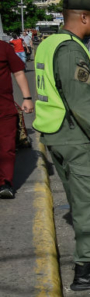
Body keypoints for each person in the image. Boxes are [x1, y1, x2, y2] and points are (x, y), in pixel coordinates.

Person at [33, 0, 90, 290]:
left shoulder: (48, 44)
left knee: (80, 200)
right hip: (77, 138)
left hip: (57, 135)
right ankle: (86, 270)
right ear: (83, 17)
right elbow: (81, 102)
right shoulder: (72, 50)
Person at [1, 40, 33, 198]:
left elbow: (19, 72)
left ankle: (5, 183)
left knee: (6, 147)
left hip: (3, 108)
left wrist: (27, 97)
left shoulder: (3, 47)